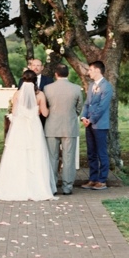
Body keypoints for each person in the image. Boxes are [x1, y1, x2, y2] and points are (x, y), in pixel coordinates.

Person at [0, 69, 56, 200]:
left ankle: (15, 186)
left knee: (17, 154)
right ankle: (37, 186)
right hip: (34, 127)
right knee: (35, 154)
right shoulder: (40, 95)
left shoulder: (17, 94)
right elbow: (45, 113)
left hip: (20, 128)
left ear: (23, 80)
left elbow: (14, 113)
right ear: (35, 81)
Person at [44, 64, 84, 195]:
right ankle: (67, 187)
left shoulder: (47, 88)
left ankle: (52, 186)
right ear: (68, 73)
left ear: (56, 74)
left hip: (51, 126)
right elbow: (79, 108)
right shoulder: (77, 88)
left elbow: (46, 106)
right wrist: (72, 116)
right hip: (69, 126)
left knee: (52, 157)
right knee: (68, 157)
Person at [80, 61, 113, 191]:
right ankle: (92, 179)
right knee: (91, 152)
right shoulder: (91, 85)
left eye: (90, 70)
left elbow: (102, 107)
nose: (89, 72)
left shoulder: (107, 86)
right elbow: (87, 103)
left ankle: (102, 180)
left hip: (100, 124)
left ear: (98, 70)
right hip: (89, 124)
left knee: (101, 152)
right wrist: (83, 117)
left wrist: (91, 119)